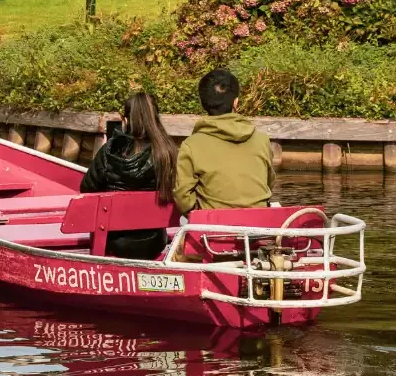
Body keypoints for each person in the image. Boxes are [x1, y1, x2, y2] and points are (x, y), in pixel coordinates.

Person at [80, 90, 179, 259]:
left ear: (126, 120)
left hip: (113, 241)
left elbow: (87, 188)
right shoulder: (168, 153)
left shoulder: (109, 152)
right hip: (153, 243)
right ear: (155, 119)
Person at [174, 68, 275, 215]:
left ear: (203, 104)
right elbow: (269, 184)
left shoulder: (191, 145)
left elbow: (183, 200)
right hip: (257, 231)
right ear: (236, 102)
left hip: (213, 234)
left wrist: (200, 212)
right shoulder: (262, 140)